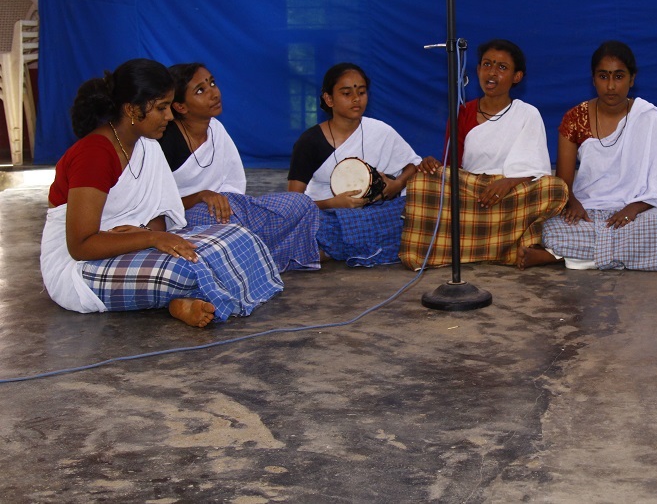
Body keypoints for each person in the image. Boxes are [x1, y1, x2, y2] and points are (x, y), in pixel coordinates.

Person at [40, 59, 283, 328]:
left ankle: (182, 300)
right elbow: (80, 246)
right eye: (161, 108)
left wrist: (145, 233)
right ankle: (182, 298)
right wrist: (150, 238)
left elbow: (162, 215)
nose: (169, 116)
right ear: (132, 109)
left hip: (130, 245)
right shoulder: (94, 154)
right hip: (79, 270)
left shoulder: (148, 145)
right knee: (187, 268)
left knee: (238, 237)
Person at [400, 39, 568, 269]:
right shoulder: (461, 113)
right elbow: (454, 169)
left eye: (502, 67)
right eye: (487, 64)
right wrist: (433, 167)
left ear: (517, 76)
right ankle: (505, 250)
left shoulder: (528, 114)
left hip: (512, 196)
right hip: (474, 195)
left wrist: (507, 183)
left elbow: (536, 170)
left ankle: (471, 248)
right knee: (420, 181)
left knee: (555, 188)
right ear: (478, 69)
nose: (492, 72)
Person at [518, 40, 657, 270]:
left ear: (632, 79)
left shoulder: (650, 117)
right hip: (588, 209)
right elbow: (563, 182)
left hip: (635, 211)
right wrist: (573, 203)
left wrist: (632, 209)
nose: (611, 86)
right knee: (549, 228)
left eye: (619, 76)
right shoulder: (575, 118)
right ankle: (614, 256)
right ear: (593, 79)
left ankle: (560, 257)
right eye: (603, 76)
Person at [159, 63, 322, 272]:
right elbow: (158, 205)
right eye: (200, 90)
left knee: (301, 204)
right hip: (187, 219)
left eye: (212, 83)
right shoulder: (166, 140)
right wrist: (200, 196)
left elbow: (233, 182)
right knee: (223, 222)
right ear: (181, 107)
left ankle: (253, 257)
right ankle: (261, 257)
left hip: (229, 208)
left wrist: (227, 203)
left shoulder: (216, 129)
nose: (214, 93)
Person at [287, 63, 420, 266]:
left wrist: (397, 184)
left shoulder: (380, 131)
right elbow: (293, 203)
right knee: (312, 225)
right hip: (326, 215)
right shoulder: (309, 142)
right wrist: (333, 204)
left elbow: (413, 165)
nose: (356, 99)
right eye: (347, 93)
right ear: (329, 99)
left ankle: (332, 249)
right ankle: (354, 245)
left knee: (412, 209)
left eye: (362, 92)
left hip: (376, 211)